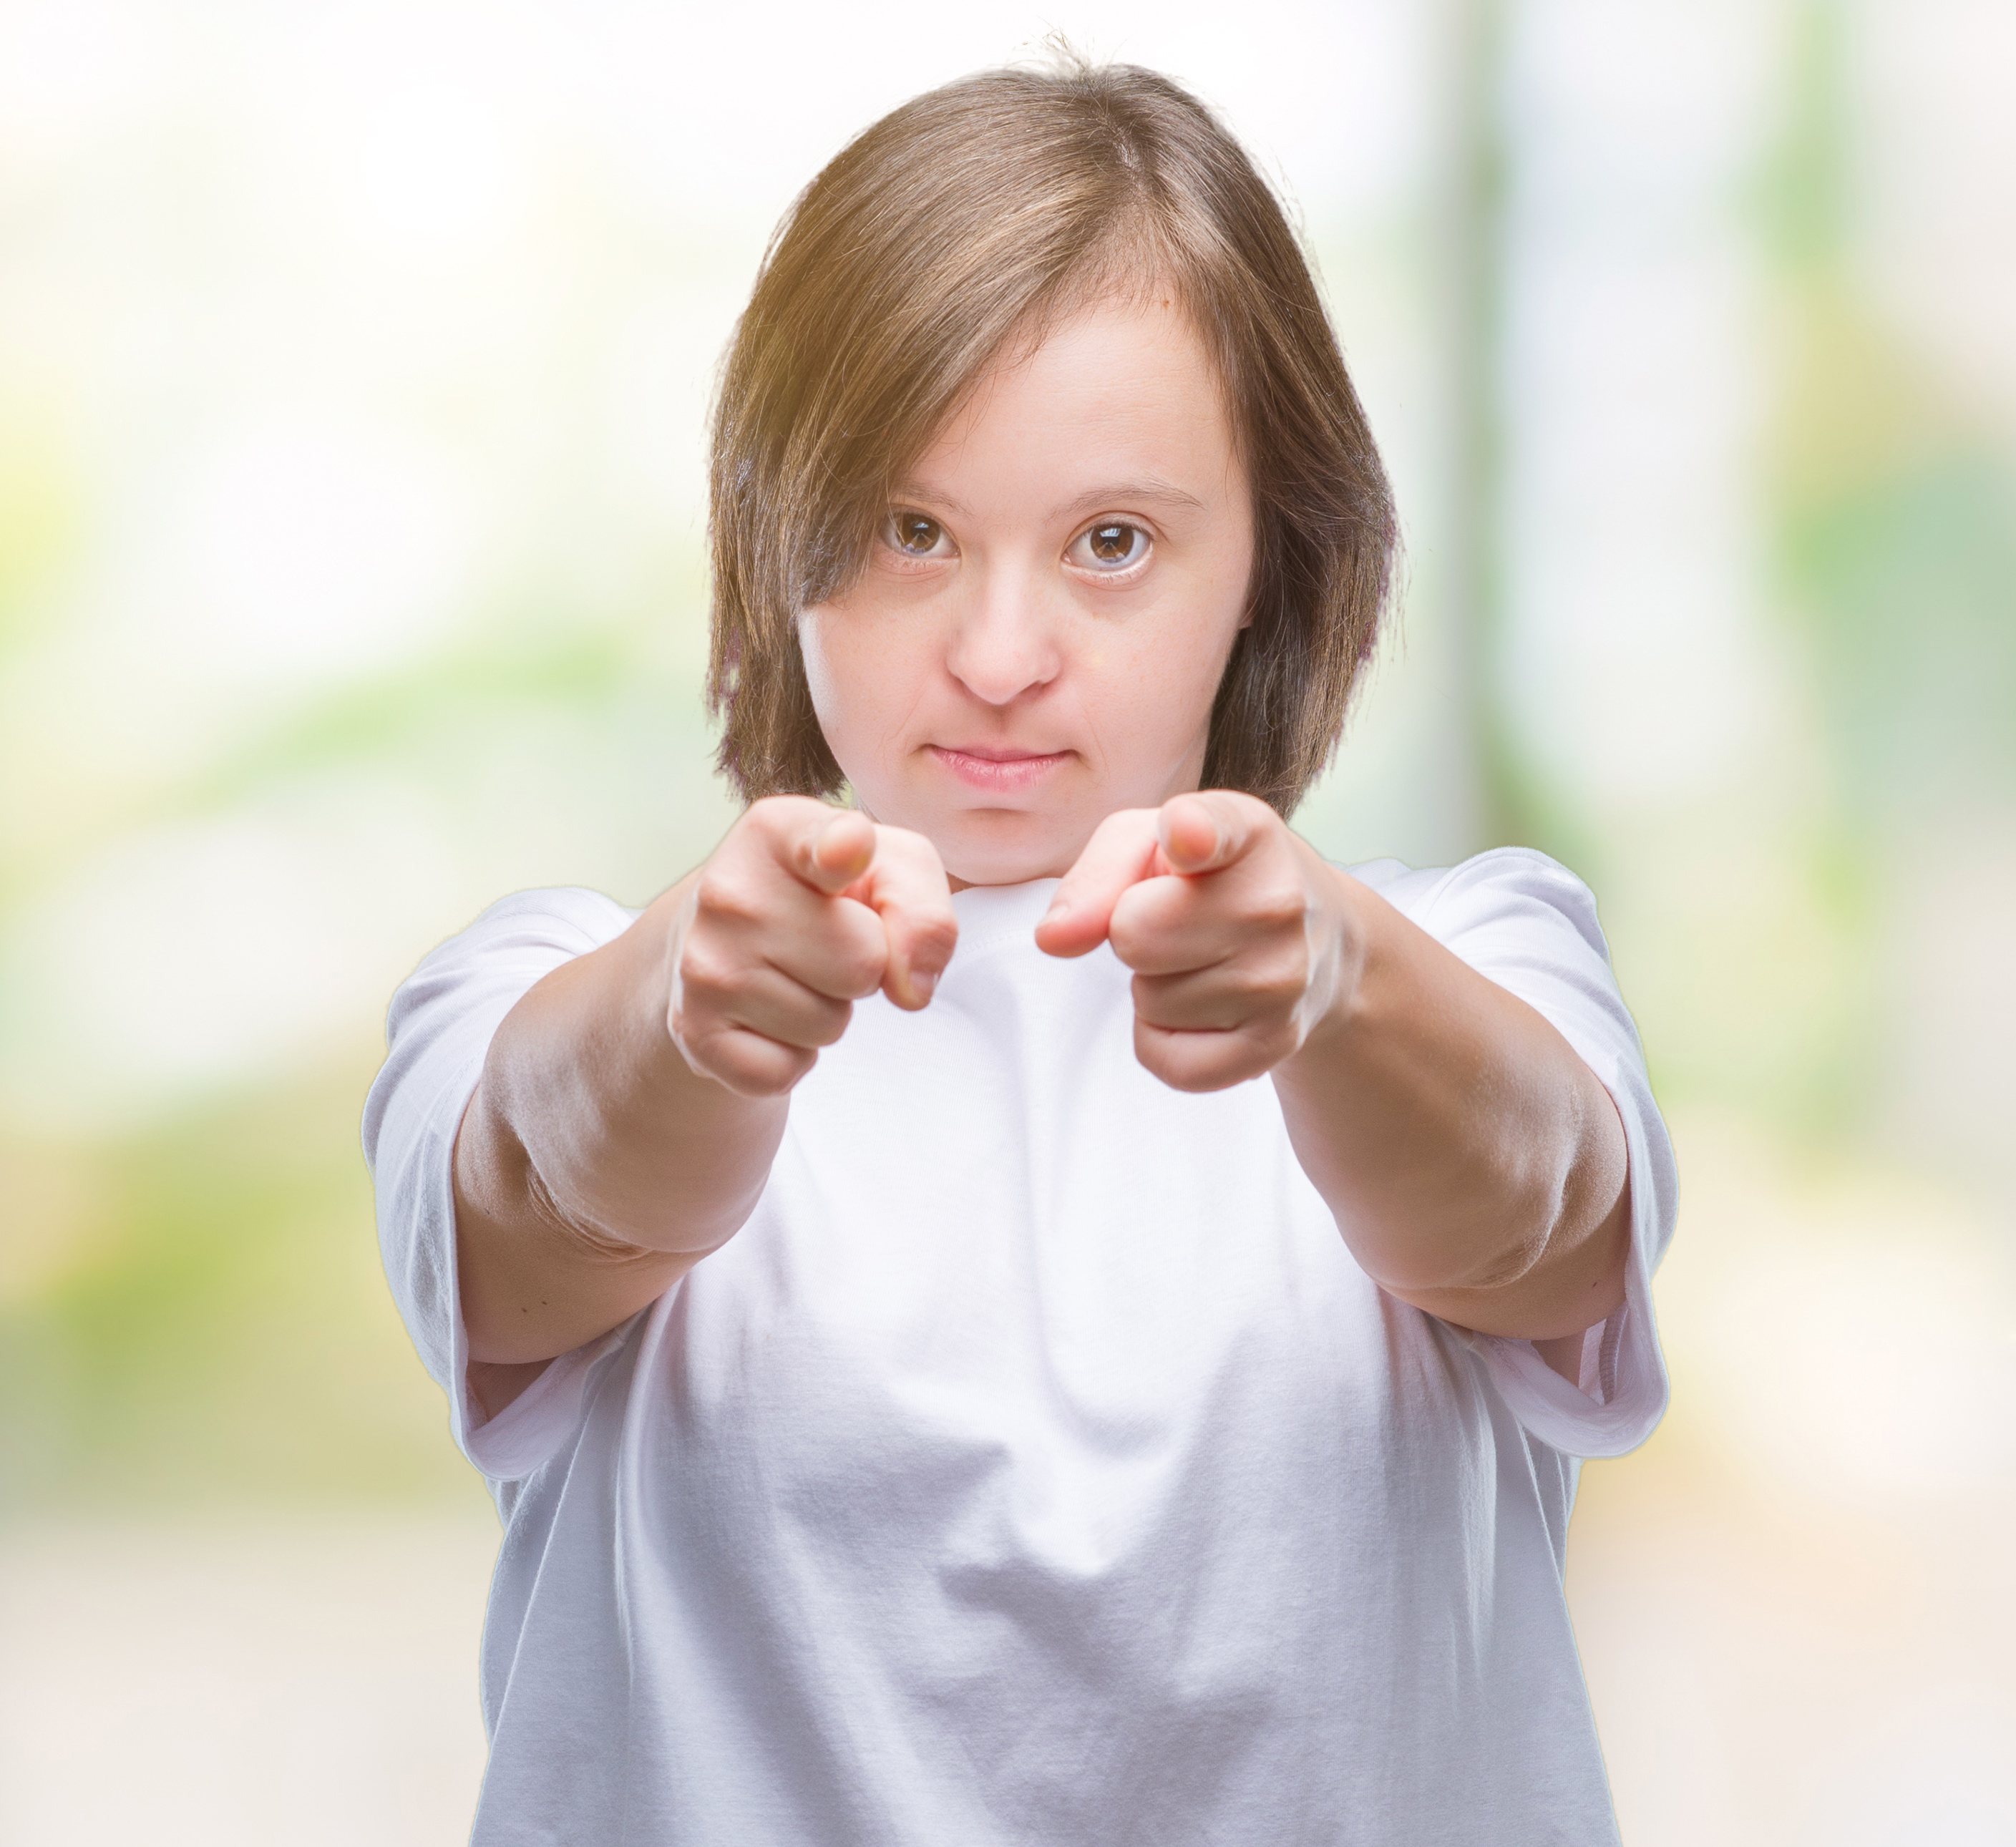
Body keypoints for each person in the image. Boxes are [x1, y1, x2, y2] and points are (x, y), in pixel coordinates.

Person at [362, 55, 1676, 1847]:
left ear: (1269, 572)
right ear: (781, 531)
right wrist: (688, 1014)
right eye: (915, 533)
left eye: (1113, 544)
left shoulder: (1473, 955)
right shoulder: (537, 989)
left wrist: (1341, 982)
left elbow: (1546, 1219)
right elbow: (533, 1211)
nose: (998, 652)